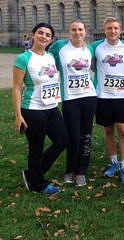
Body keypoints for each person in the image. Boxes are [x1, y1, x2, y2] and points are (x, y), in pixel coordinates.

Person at [13, 23, 68, 194]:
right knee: (36, 148)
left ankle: (32, 174)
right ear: (33, 35)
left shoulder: (51, 56)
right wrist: (18, 115)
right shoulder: (24, 58)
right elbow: (16, 87)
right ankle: (38, 184)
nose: (43, 36)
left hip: (52, 108)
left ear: (51, 39)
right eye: (40, 33)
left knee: (62, 141)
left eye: (47, 34)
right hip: (33, 109)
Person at [49, 20, 97, 187]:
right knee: (73, 137)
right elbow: (47, 60)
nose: (77, 33)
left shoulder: (90, 48)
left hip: (89, 96)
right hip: (70, 99)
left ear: (85, 31)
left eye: (80, 30)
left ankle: (82, 171)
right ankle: (70, 169)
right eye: (74, 30)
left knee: (86, 137)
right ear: (69, 31)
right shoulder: (59, 47)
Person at [92, 17, 124, 183]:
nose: (113, 31)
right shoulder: (96, 47)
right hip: (103, 96)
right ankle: (114, 162)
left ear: (121, 30)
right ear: (105, 30)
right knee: (108, 130)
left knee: (123, 130)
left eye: (116, 28)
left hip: (121, 96)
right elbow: (90, 63)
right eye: (109, 28)